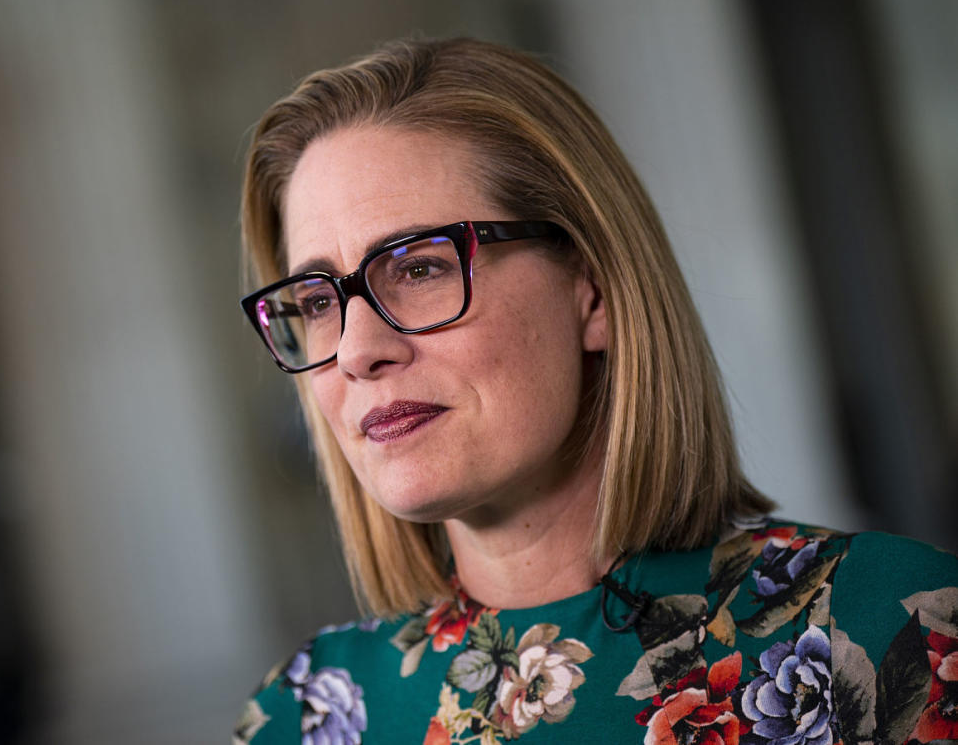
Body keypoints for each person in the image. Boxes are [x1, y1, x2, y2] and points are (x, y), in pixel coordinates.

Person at [232, 37, 958, 745]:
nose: (357, 351)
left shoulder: (897, 626)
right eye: (319, 302)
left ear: (593, 290)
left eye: (420, 268)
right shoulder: (304, 717)